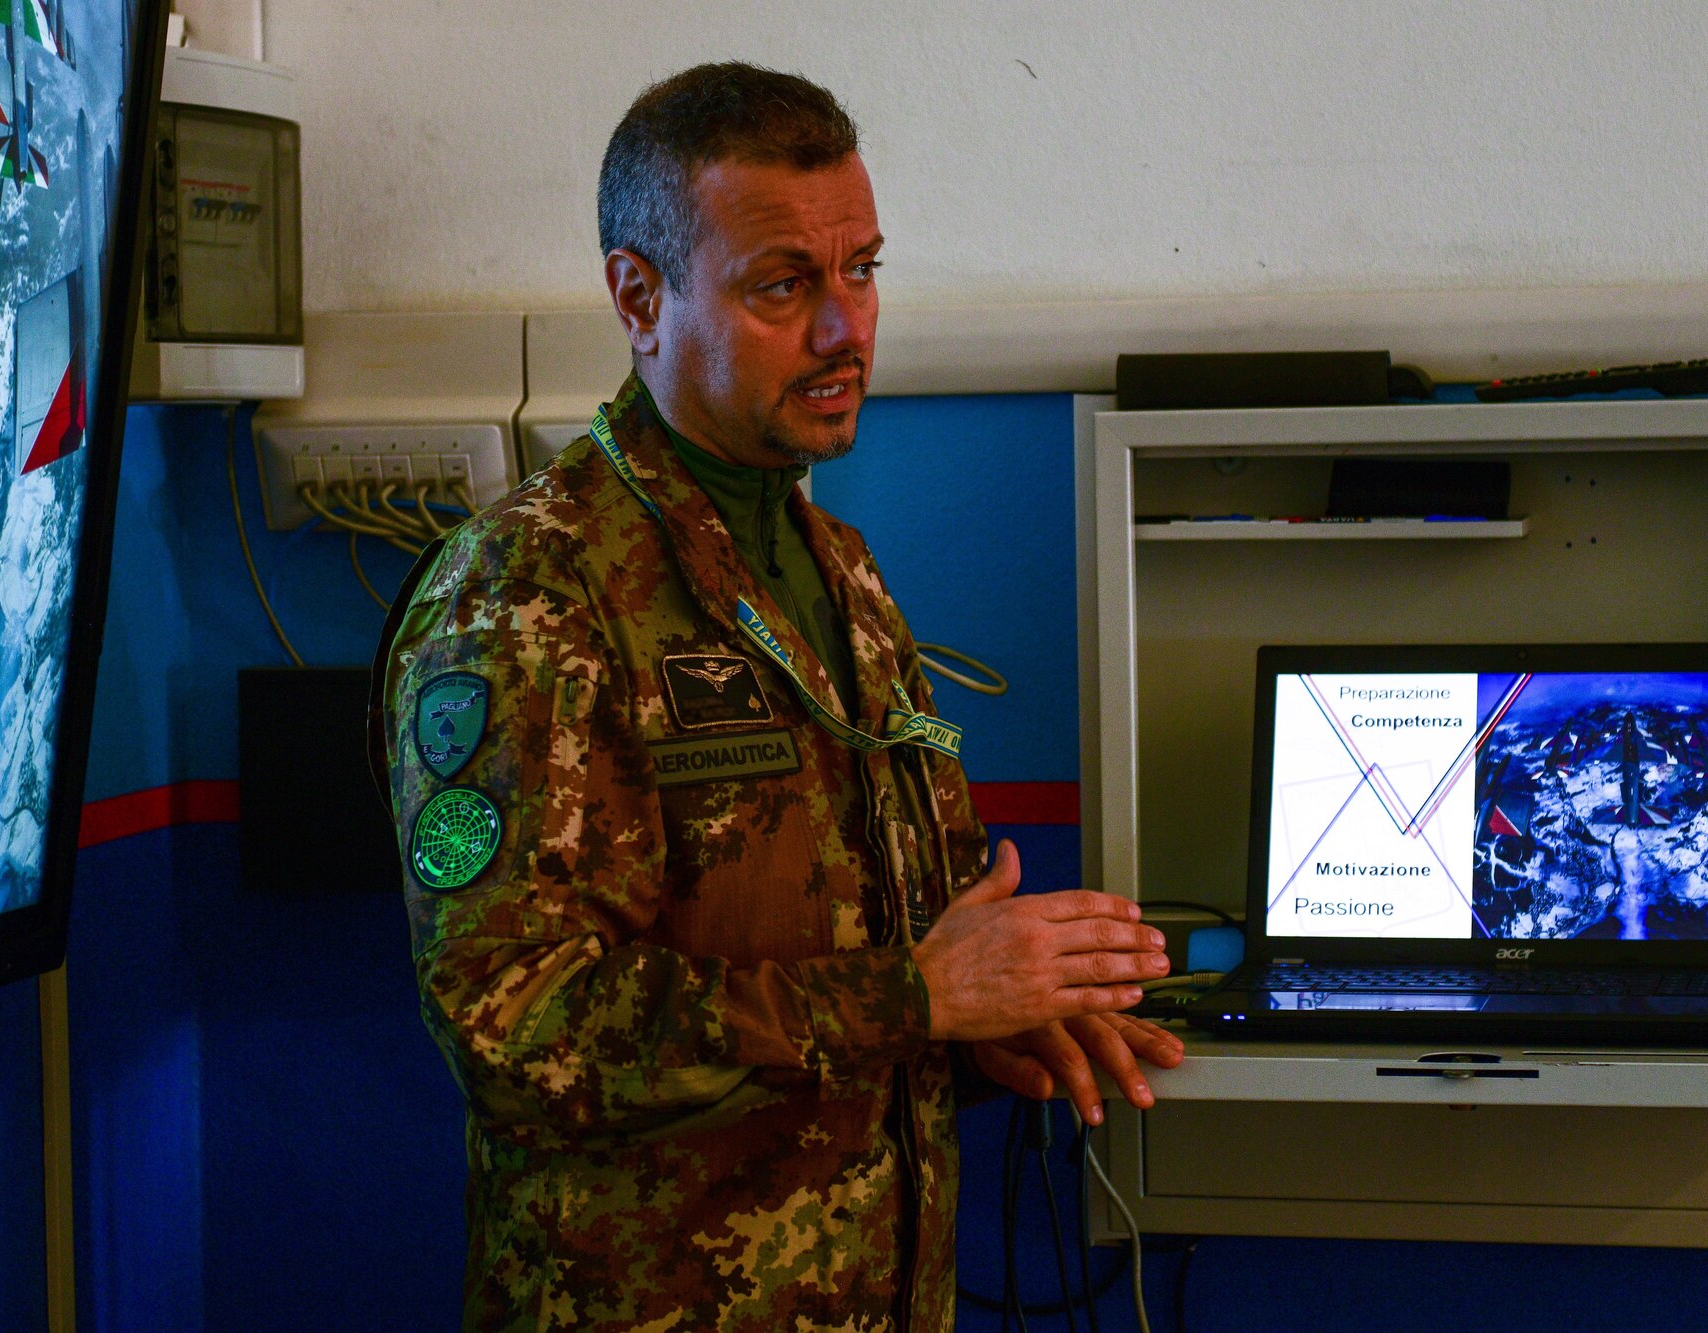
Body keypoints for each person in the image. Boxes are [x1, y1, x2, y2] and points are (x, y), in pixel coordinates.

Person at [370, 61, 1184, 1332]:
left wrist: (978, 1035)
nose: (844, 329)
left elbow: (883, 953)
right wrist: (916, 1000)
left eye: (860, 270)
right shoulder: (529, 591)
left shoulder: (832, 567)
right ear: (638, 297)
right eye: (782, 285)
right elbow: (515, 1027)